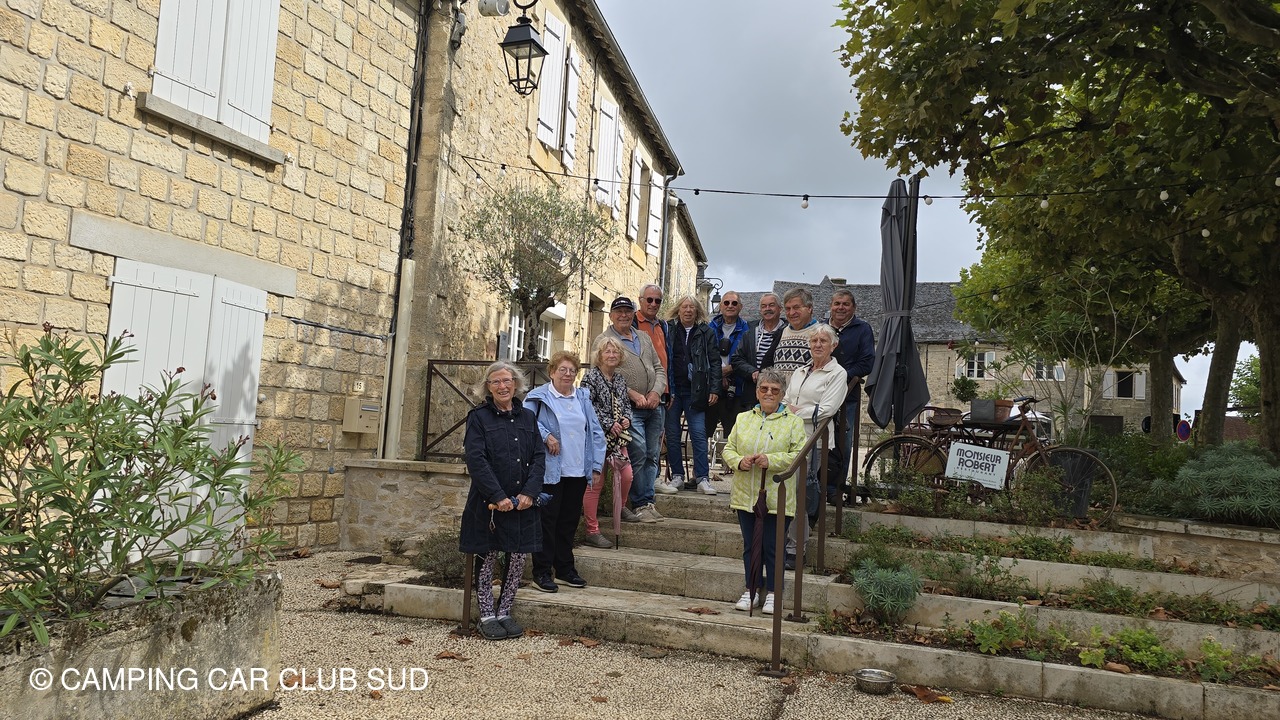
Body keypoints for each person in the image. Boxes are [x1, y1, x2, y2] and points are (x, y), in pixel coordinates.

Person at [459, 362, 545, 641]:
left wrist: (529, 493)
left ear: (515, 384)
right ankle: (487, 615)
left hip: (522, 503)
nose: (502, 386)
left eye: (507, 380)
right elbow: (476, 459)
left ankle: (505, 611)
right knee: (487, 557)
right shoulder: (479, 418)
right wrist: (497, 496)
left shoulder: (528, 418)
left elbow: (539, 457)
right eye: (495, 382)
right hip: (491, 505)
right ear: (488, 387)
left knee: (518, 559)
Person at [722, 368, 806, 615]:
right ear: (757, 392)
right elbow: (728, 449)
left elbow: (798, 454)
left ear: (782, 394)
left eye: (775, 390)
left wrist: (771, 460)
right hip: (745, 494)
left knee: (773, 546)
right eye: (764, 388)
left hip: (777, 495)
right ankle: (751, 589)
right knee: (751, 546)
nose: (769, 393)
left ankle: (773, 593)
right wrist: (739, 461)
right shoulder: (743, 418)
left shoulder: (793, 422)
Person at [524, 351, 606, 593]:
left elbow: (596, 433)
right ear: (552, 372)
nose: (568, 374)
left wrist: (596, 466)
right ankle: (541, 572)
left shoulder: (582, 398)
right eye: (563, 369)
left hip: (577, 470)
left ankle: (564, 569)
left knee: (568, 522)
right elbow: (526, 422)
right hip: (550, 471)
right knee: (547, 522)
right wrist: (546, 435)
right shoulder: (538, 397)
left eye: (572, 370)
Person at [592, 296, 667, 523]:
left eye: (627, 311)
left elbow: (659, 368)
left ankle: (649, 501)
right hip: (627, 409)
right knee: (639, 452)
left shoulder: (643, 337)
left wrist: (656, 392)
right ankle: (639, 504)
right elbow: (603, 376)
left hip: (653, 405)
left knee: (653, 455)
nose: (623, 315)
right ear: (611, 315)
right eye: (619, 311)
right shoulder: (604, 340)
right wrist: (632, 394)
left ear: (634, 314)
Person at [782, 324, 849, 569]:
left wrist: (794, 412)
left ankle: (795, 549)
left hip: (814, 441)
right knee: (786, 493)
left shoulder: (837, 373)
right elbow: (785, 400)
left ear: (834, 345)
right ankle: (781, 543)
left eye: (823, 341)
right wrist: (792, 410)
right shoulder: (800, 371)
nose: (818, 345)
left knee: (800, 496)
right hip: (789, 438)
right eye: (814, 341)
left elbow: (827, 410)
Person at [657, 295, 722, 495]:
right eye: (684, 307)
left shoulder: (706, 332)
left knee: (698, 434)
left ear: (697, 311)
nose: (688, 310)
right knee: (672, 434)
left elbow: (715, 361)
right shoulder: (668, 329)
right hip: (673, 390)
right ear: (678, 310)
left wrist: (714, 388)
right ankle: (677, 476)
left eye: (692, 307)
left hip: (696, 391)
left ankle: (703, 478)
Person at [580, 336, 637, 546]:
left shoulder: (620, 379)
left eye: (615, 352)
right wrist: (607, 423)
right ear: (600, 355)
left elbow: (626, 405)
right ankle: (592, 529)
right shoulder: (591, 377)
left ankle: (620, 506)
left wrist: (626, 419)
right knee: (596, 482)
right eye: (607, 351)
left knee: (627, 475)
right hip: (597, 437)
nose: (612, 355)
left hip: (618, 438)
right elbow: (587, 405)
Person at [825, 288, 876, 503]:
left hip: (848, 396)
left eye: (845, 304)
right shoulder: (822, 328)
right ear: (831, 306)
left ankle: (834, 489)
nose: (841, 308)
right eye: (837, 303)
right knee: (818, 441)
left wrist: (841, 375)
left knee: (843, 443)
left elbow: (867, 362)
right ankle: (815, 485)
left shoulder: (862, 329)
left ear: (854, 307)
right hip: (820, 393)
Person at [707, 292, 749, 478]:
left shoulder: (747, 330)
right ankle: (702, 471)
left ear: (740, 307)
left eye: (734, 303)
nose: (730, 306)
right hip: (712, 386)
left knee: (733, 430)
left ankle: (733, 468)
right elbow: (704, 354)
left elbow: (748, 355)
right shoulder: (710, 328)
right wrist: (717, 374)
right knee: (705, 429)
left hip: (736, 386)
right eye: (726, 303)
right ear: (720, 306)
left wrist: (730, 370)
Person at [731, 293, 785, 407]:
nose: (767, 309)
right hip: (752, 393)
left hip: (779, 392)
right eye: (764, 306)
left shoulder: (787, 331)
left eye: (771, 305)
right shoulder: (750, 332)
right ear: (760, 310)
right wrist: (752, 371)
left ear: (780, 309)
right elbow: (736, 359)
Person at [772, 288, 819, 373]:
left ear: (809, 308)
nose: (791, 313)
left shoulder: (822, 334)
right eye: (788, 309)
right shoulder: (781, 333)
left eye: (796, 307)